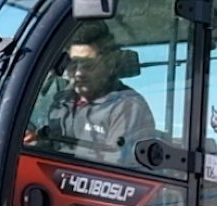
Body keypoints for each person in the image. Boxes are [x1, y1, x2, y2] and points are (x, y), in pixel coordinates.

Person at [26, 21, 156, 165]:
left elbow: (117, 172)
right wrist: (36, 144)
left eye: (88, 64)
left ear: (110, 64)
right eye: (73, 63)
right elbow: (57, 147)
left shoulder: (127, 107)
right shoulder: (62, 102)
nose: (79, 73)